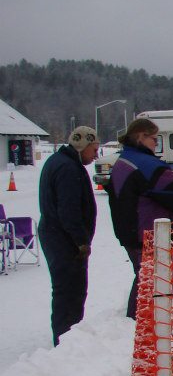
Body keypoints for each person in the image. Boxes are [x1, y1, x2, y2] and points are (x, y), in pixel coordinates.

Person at [106, 118, 173, 319]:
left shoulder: (122, 161)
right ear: (141, 137)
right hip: (148, 234)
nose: (156, 144)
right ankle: (140, 323)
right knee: (150, 280)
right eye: (154, 139)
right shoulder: (147, 165)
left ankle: (141, 323)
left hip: (129, 231)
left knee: (144, 277)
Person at [37, 126, 99, 345]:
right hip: (64, 240)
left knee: (67, 290)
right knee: (70, 292)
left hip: (56, 235)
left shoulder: (59, 162)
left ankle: (68, 335)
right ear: (83, 146)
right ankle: (66, 340)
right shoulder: (68, 169)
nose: (95, 156)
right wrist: (81, 241)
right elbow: (69, 209)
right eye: (94, 150)